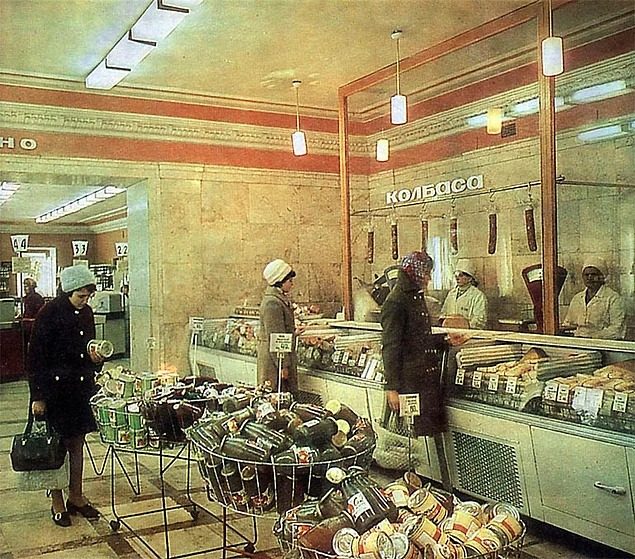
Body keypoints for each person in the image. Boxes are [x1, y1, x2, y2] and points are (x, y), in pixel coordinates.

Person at [27, 265, 104, 527]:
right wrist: (38, 396)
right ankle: (57, 502)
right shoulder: (48, 314)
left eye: (88, 296)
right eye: (80, 296)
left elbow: (89, 347)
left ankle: (76, 497)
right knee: (55, 448)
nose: (85, 300)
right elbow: (36, 358)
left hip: (79, 390)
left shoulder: (87, 313)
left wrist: (96, 359)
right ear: (68, 291)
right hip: (54, 392)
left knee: (77, 445)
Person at [257, 259, 304, 395]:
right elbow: (276, 337)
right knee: (278, 398)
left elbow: (280, 329)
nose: (292, 284)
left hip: (277, 359)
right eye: (289, 281)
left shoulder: (277, 299)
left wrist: (294, 333)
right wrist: (283, 366)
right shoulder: (272, 303)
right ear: (280, 281)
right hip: (274, 364)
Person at [563, 258, 626, 340]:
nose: (589, 277)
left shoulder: (613, 298)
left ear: (602, 276)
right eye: (586, 275)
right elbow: (568, 323)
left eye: (593, 274)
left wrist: (592, 336)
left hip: (601, 344)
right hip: (577, 342)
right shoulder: (577, 298)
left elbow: (617, 330)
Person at [441, 261, 488, 329]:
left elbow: (480, 320)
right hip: (450, 331)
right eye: (456, 275)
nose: (457, 278)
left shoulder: (478, 296)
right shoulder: (451, 294)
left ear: (470, 278)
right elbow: (444, 313)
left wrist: (464, 325)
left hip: (469, 332)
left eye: (461, 275)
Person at [21, 277, 45, 343]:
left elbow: (33, 314)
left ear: (32, 287)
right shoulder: (27, 298)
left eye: (26, 286)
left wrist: (25, 319)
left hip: (33, 326)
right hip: (31, 325)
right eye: (24, 286)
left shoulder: (35, 298)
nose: (24, 288)